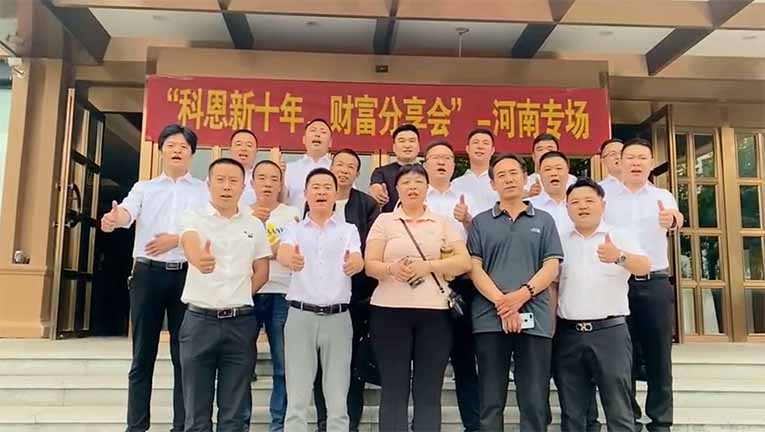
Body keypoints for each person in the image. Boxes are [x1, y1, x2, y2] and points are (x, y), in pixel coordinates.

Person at [100, 123, 207, 432]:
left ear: (192, 154)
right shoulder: (144, 188)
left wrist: (177, 240)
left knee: (184, 356)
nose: (177, 151)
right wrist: (114, 218)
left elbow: (207, 228)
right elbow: (126, 213)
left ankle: (182, 426)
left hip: (186, 276)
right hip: (147, 275)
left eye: (183, 147)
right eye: (171, 145)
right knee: (142, 356)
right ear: (161, 151)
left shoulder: (202, 190)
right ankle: (136, 426)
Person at [364, 164, 472, 432]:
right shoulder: (385, 221)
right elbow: (370, 265)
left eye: (418, 182)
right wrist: (391, 269)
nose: (412, 187)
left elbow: (464, 262)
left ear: (427, 188)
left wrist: (428, 266)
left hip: (434, 313)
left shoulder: (442, 222)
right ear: (397, 188)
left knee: (429, 388)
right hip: (389, 311)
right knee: (394, 387)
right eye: (406, 182)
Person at [468, 154, 562, 431]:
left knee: (534, 399)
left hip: (535, 317)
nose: (508, 179)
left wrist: (521, 296)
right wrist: (503, 303)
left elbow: (551, 266)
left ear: (525, 178)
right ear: (492, 184)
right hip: (489, 318)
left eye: (513, 173)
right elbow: (474, 267)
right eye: (501, 175)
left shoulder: (544, 220)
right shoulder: (481, 222)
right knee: (490, 399)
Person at [178, 157, 271, 431]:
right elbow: (190, 242)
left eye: (233, 181)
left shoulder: (254, 224)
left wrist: (238, 294)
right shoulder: (193, 217)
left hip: (240, 324)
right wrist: (200, 260)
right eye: (220, 180)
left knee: (234, 412)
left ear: (243, 187)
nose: (227, 186)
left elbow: (262, 271)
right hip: (199, 323)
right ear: (209, 184)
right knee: (196, 413)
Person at [554, 177, 651, 432]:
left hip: (610, 334)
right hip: (568, 334)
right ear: (567, 208)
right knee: (573, 412)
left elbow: (644, 267)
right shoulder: (560, 241)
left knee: (618, 408)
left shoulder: (619, 236)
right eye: (575, 202)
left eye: (589, 200)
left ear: (602, 205)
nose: (582, 206)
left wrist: (619, 256)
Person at [604, 138, 683, 432]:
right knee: (623, 355)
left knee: (659, 354)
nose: (636, 163)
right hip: (617, 284)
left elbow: (676, 219)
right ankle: (629, 420)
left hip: (655, 284)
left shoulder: (662, 196)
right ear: (620, 162)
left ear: (651, 163)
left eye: (642, 158)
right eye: (631, 157)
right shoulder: (606, 197)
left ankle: (661, 422)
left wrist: (672, 219)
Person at [277, 168, 365, 432]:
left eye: (327, 187)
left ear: (336, 194)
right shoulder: (293, 229)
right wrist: (290, 259)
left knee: (337, 399)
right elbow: (283, 251)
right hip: (300, 317)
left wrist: (355, 263)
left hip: (338, 319)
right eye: (315, 187)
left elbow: (357, 257)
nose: (322, 192)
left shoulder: (348, 230)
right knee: (297, 398)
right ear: (305, 194)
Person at [314, 148, 380, 432]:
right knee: (320, 365)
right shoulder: (316, 201)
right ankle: (323, 422)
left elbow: (373, 247)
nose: (343, 170)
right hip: (318, 297)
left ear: (357, 173)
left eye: (350, 166)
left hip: (355, 298)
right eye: (339, 164)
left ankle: (349, 423)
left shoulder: (367, 204)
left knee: (351, 365)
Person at [423, 140, 480, 432]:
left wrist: (468, 220)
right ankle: (423, 424)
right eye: (435, 158)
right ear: (426, 164)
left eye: (447, 157)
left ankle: (473, 425)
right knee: (427, 362)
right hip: (425, 284)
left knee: (465, 360)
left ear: (454, 164)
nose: (441, 162)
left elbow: (481, 239)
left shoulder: (467, 197)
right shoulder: (416, 195)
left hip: (461, 285)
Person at [250, 160, 301, 432]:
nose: (268, 184)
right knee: (241, 367)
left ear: (281, 185)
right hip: (249, 293)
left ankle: (278, 425)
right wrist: (273, 249)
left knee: (284, 365)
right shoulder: (241, 213)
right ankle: (239, 423)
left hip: (283, 292)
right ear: (252, 183)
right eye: (262, 178)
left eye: (274, 179)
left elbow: (294, 251)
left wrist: (265, 250)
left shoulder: (292, 213)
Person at [369, 124, 421, 213]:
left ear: (419, 147)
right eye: (402, 141)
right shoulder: (381, 172)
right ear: (394, 147)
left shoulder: (427, 173)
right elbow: (376, 187)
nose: (407, 145)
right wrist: (377, 193)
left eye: (412, 141)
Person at [283, 118, 333, 209]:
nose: (317, 134)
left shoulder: (337, 169)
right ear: (304, 140)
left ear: (330, 142)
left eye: (323, 132)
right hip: (296, 218)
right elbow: (280, 200)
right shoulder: (289, 169)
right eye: (313, 130)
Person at [452, 128, 498, 216]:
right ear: (467, 149)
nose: (480, 147)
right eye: (476, 142)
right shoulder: (456, 184)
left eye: (485, 143)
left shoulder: (500, 182)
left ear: (492, 150)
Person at [230, 128, 259, 207]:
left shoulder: (261, 177)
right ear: (230, 149)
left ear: (256, 151)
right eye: (238, 144)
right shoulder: (217, 175)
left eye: (249, 145)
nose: (243, 149)